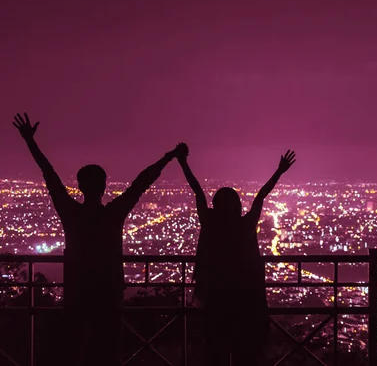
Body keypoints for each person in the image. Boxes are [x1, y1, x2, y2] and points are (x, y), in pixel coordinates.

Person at [12, 113, 184, 366]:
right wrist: (169, 157)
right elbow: (141, 182)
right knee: (107, 353)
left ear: (80, 187)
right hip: (108, 294)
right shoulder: (114, 214)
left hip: (77, 293)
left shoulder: (71, 213)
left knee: (74, 351)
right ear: (104, 186)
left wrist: (30, 142)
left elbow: (49, 174)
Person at [176, 144, 296, 366]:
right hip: (245, 302)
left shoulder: (210, 224)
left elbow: (197, 191)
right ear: (238, 206)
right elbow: (261, 197)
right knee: (244, 354)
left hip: (215, 300)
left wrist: (183, 163)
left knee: (215, 352)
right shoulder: (245, 227)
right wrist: (279, 172)